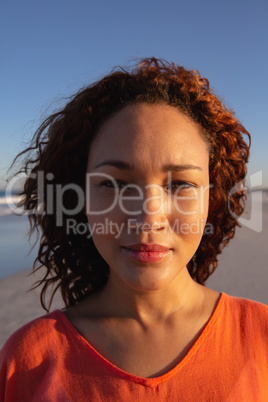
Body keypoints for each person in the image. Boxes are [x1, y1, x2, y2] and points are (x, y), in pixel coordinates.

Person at [0, 58, 267, 401]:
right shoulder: (27, 361)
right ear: (78, 197)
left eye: (180, 184)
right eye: (114, 183)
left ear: (212, 199)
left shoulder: (260, 335)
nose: (148, 218)